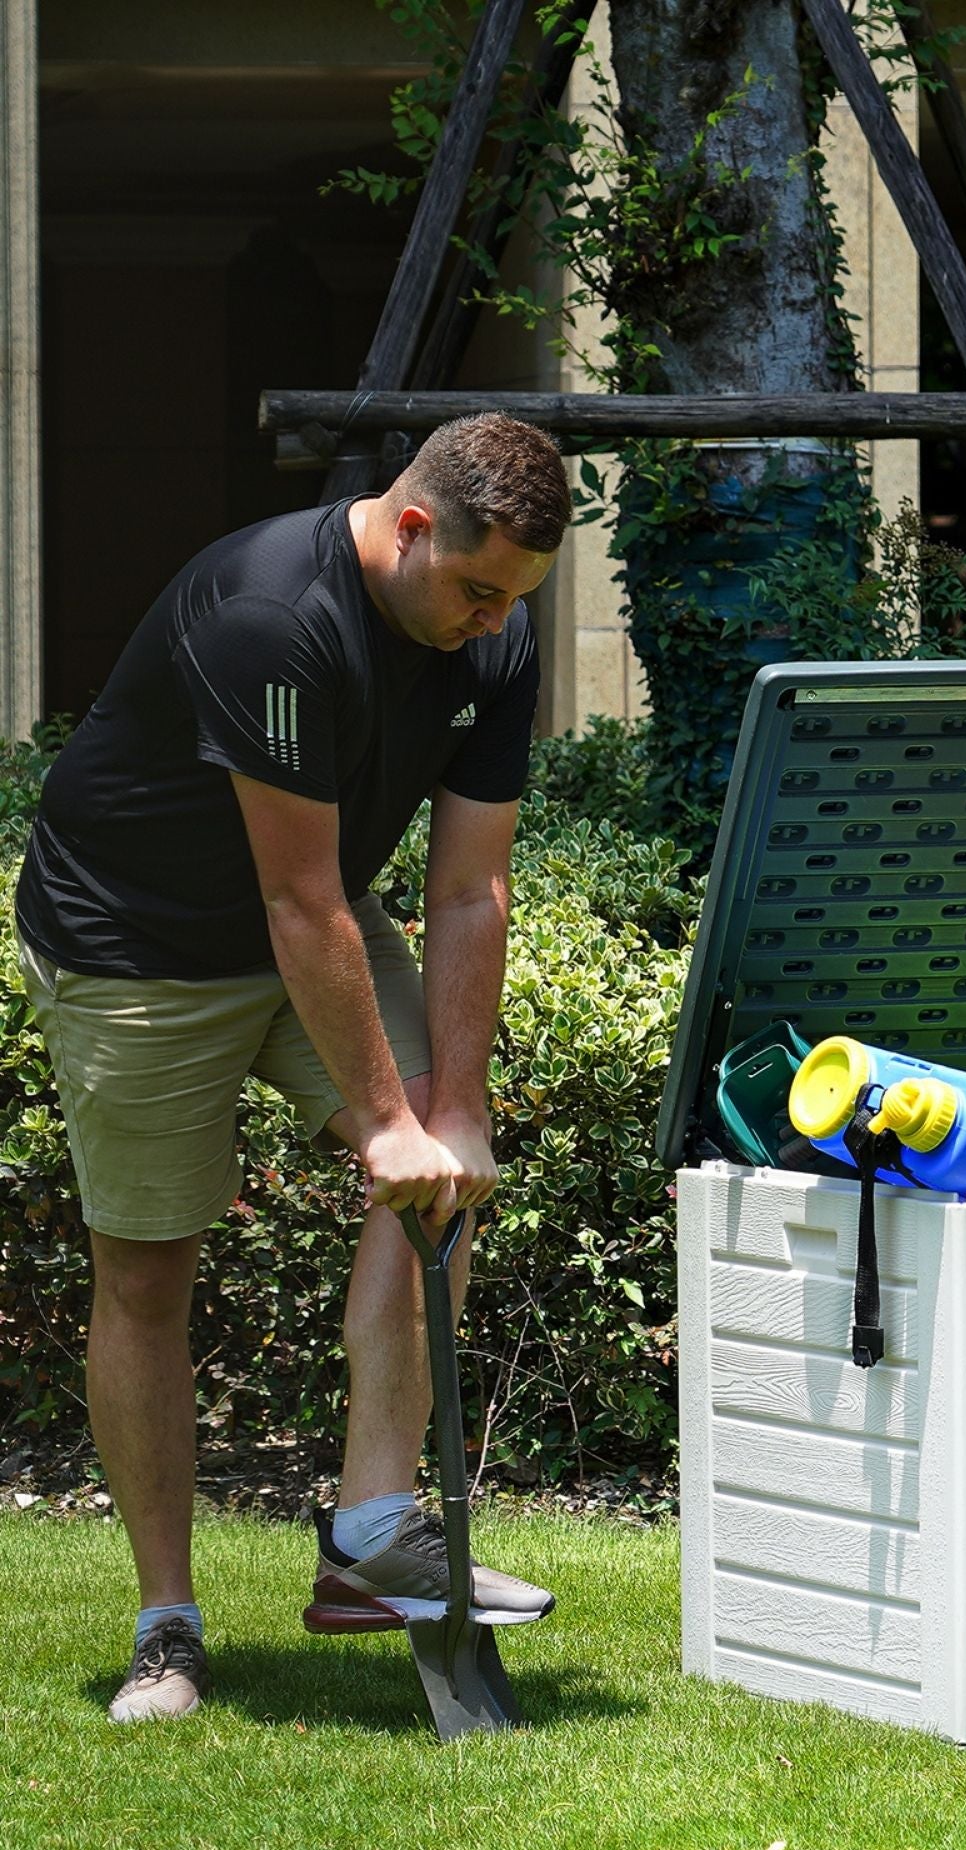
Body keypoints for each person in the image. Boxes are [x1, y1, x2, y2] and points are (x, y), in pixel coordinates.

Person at [11, 413, 572, 1723]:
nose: (495, 623)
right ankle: (168, 1628)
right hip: (134, 943)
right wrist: (384, 1117)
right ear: (410, 526)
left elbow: (472, 888)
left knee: (444, 1176)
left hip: (300, 928)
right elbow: (301, 897)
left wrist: (453, 1111)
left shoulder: (498, 627)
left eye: (518, 600)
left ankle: (374, 1528)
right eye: (479, 590)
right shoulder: (273, 611)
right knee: (148, 1274)